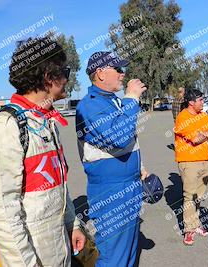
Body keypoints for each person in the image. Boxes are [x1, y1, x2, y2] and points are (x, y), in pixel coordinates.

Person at [0, 35, 85, 267]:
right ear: (48, 78)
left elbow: (58, 185)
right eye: (65, 72)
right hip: (32, 257)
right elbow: (1, 213)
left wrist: (72, 224)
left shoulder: (45, 121)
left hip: (61, 250)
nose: (68, 79)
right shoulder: (6, 127)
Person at [76, 51, 148, 267]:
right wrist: (132, 98)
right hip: (111, 191)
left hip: (130, 185)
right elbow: (118, 137)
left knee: (128, 254)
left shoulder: (114, 102)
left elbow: (128, 141)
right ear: (100, 73)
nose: (122, 74)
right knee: (113, 257)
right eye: (117, 69)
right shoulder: (90, 105)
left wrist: (141, 167)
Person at [174, 89, 208, 245]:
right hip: (189, 162)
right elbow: (196, 139)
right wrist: (206, 133)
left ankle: (195, 224)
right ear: (191, 102)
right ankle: (189, 230)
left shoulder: (204, 115)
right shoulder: (183, 118)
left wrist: (204, 133)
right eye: (200, 100)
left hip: (205, 160)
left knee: (198, 197)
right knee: (189, 196)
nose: (203, 102)